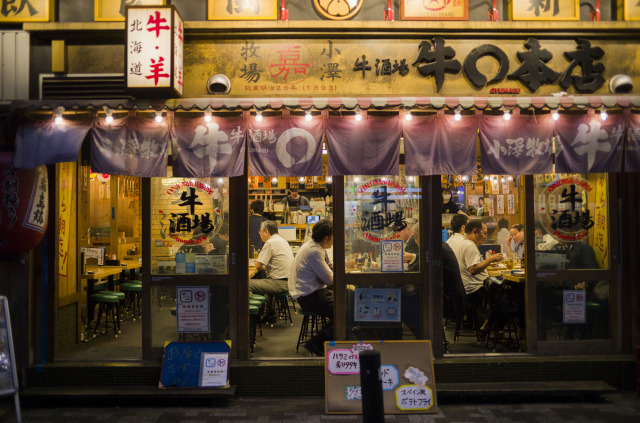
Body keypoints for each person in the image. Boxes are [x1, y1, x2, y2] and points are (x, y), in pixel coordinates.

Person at [289, 218, 334, 356]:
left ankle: (326, 339)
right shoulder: (314, 251)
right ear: (326, 238)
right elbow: (330, 280)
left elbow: (327, 271)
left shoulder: (313, 246)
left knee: (344, 303)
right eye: (333, 237)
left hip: (309, 293)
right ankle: (316, 341)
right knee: (345, 310)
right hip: (308, 296)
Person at [451, 219, 503, 332]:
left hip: (469, 289)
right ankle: (491, 327)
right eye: (484, 233)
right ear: (475, 231)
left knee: (502, 289)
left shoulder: (464, 243)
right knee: (505, 296)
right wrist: (490, 259)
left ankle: (490, 325)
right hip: (476, 290)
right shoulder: (470, 246)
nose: (485, 236)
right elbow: (473, 270)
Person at [249, 220, 295, 324]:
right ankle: (269, 314)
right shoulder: (282, 240)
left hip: (279, 283)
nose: (260, 234)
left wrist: (258, 263)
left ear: (266, 232)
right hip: (288, 281)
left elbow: (258, 265)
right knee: (264, 282)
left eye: (260, 232)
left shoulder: (270, 242)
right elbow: (275, 266)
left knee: (246, 284)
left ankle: (250, 318)